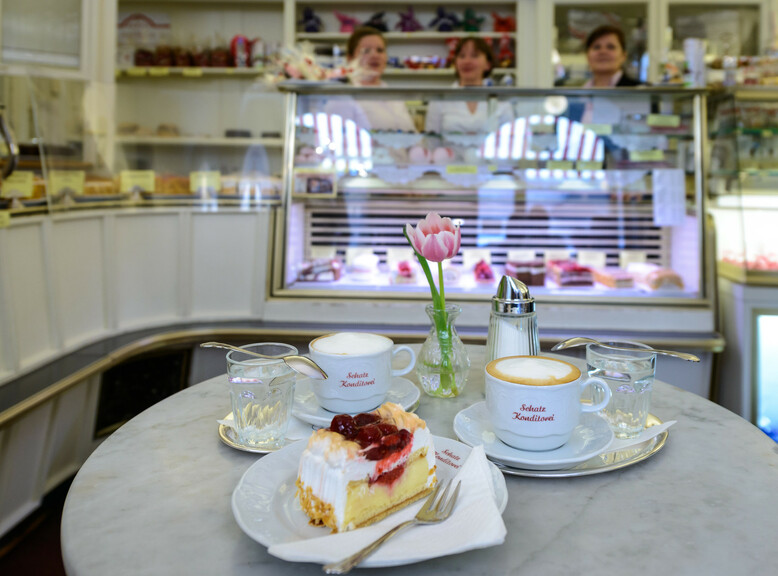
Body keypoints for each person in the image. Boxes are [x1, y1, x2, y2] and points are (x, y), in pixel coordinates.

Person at [325, 27, 416, 132]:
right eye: (366, 51)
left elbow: (410, 134)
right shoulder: (343, 96)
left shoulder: (390, 92)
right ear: (350, 58)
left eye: (380, 50)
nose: (375, 55)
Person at [424, 37, 513, 134]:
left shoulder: (500, 101)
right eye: (462, 56)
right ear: (456, 63)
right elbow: (432, 142)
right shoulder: (440, 99)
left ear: (488, 64)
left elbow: (509, 140)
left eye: (474, 55)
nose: (467, 61)